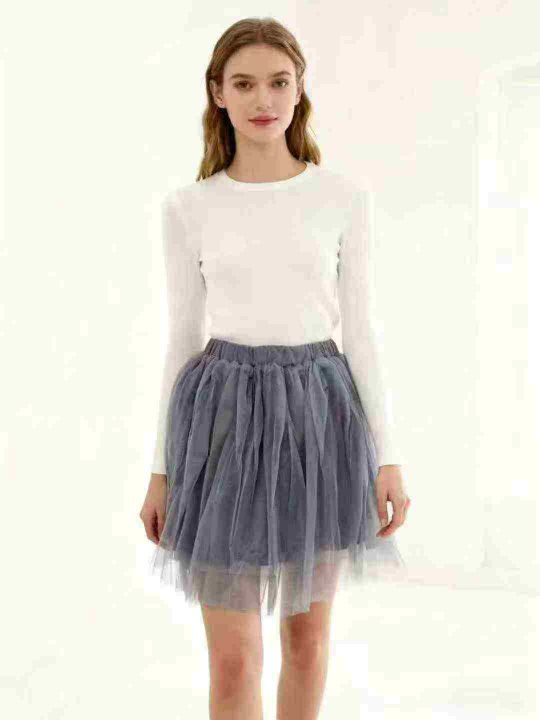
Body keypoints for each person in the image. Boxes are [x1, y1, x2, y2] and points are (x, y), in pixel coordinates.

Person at [139, 16, 411, 720]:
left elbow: (361, 331)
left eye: (278, 82)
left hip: (319, 418)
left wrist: (387, 457)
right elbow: (181, 337)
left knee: (307, 642)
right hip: (221, 420)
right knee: (233, 661)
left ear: (299, 89)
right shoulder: (190, 207)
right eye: (244, 84)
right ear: (217, 93)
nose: (263, 99)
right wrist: (160, 469)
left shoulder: (340, 198)